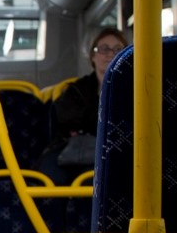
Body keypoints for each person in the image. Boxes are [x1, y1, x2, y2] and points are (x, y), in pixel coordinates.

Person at [36, 27, 128, 184]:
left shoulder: (133, 89)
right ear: (93, 56)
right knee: (49, 175)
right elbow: (66, 119)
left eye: (118, 49)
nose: (110, 54)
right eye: (104, 49)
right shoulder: (77, 89)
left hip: (116, 149)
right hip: (75, 148)